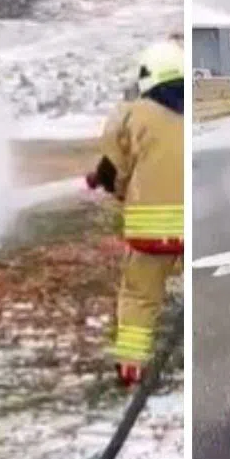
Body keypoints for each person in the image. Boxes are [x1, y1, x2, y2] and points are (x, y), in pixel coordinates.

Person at [86, 40, 185, 387]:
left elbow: (112, 169)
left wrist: (106, 183)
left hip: (150, 233)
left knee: (139, 297)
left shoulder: (133, 113)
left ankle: (130, 368)